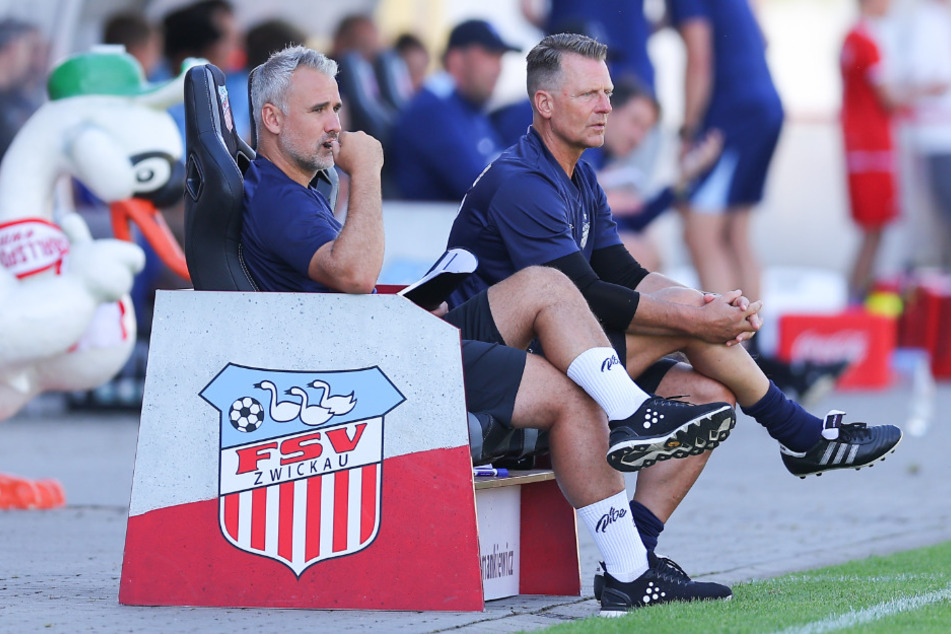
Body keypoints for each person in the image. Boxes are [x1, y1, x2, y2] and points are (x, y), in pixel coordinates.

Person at [240, 45, 740, 614]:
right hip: (358, 381)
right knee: (553, 314)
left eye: (336, 107)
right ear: (273, 120)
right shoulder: (278, 197)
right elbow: (354, 273)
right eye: (319, 111)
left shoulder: (291, 190)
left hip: (376, 353)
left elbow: (343, 284)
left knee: (566, 348)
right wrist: (370, 169)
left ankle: (631, 561)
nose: (335, 126)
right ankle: (630, 530)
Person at [444, 35, 903, 599]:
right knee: (679, 323)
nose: (606, 107)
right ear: (545, 104)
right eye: (590, 94)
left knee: (711, 394)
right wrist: (695, 322)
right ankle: (798, 434)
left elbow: (627, 275)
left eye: (608, 93)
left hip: (568, 358)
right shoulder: (522, 180)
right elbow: (584, 294)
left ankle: (633, 563)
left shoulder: (581, 176)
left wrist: (708, 305)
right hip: (493, 379)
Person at [583, 77, 723, 271]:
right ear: (608, 110)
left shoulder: (604, 160)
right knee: (637, 251)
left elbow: (636, 218)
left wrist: (685, 178)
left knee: (646, 247)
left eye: (645, 130)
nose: (638, 137)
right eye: (635, 122)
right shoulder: (581, 148)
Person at [388, 19, 519, 202]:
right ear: (456, 59)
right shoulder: (433, 111)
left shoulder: (467, 105)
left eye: (500, 58)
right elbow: (483, 189)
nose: (498, 68)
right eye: (489, 55)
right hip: (425, 227)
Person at [840, 0, 903, 303]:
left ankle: (858, 297)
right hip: (872, 147)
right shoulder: (864, 40)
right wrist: (927, 91)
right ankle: (857, 300)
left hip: (862, 146)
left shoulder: (853, 38)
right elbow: (888, 97)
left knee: (874, 231)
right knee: (874, 230)